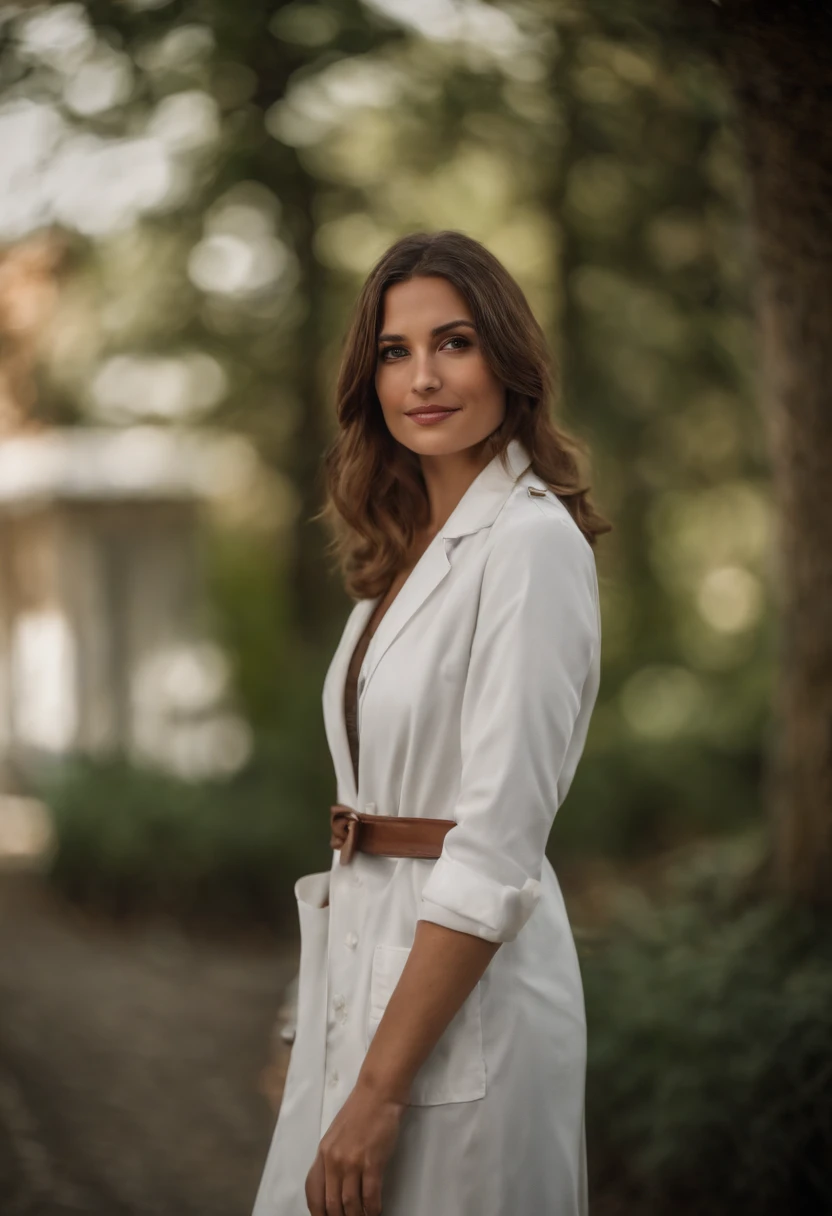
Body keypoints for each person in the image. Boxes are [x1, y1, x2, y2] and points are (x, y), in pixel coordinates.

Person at [252, 229, 611, 1216]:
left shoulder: (531, 543)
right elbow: (363, 819)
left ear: (507, 356)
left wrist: (378, 1084)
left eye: (452, 342)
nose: (422, 376)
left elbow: (494, 850)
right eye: (393, 351)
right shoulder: (401, 556)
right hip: (362, 986)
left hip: (466, 1015)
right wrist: (307, 1017)